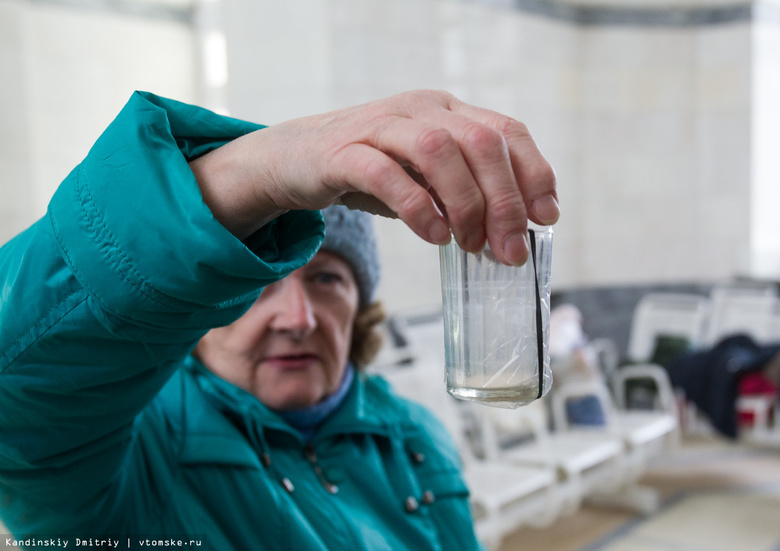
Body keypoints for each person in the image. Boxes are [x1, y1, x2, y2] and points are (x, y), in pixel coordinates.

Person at [0, 90, 559, 550]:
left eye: (327, 280)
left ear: (360, 306)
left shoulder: (412, 433)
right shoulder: (135, 459)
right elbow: (17, 397)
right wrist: (255, 173)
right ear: (199, 299)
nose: (298, 318)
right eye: (259, 284)